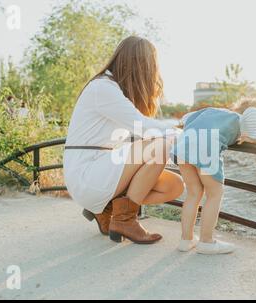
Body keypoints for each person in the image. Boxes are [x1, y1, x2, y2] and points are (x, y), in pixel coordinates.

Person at [64, 36, 184, 245]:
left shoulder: (113, 89)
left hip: (98, 171)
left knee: (174, 186)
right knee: (160, 145)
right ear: (140, 65)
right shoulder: (103, 88)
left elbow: (136, 133)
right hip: (87, 173)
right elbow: (142, 126)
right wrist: (182, 132)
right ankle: (125, 220)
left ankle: (108, 208)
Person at [172, 95, 256, 254]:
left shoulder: (215, 112)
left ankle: (186, 240)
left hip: (183, 147)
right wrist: (249, 135)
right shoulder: (246, 116)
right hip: (205, 149)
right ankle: (206, 242)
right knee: (214, 194)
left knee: (193, 193)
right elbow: (253, 126)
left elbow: (187, 119)